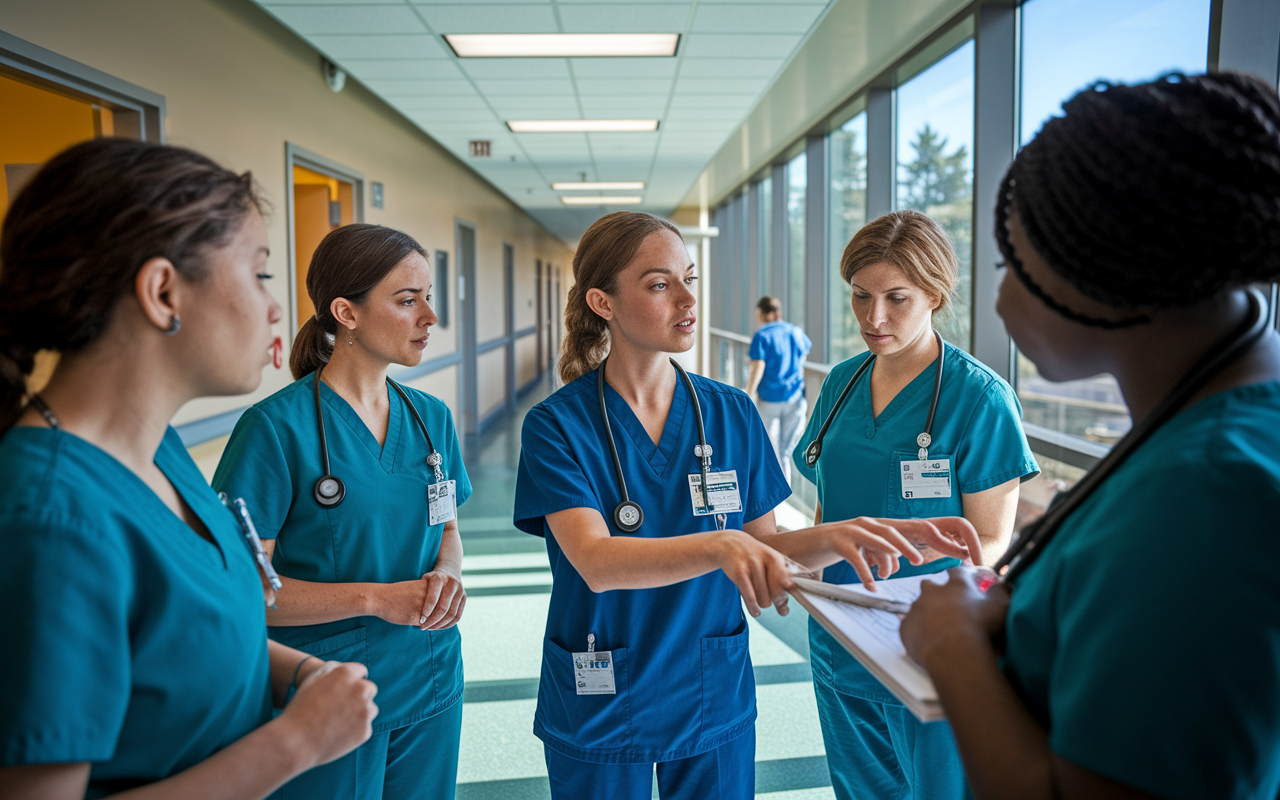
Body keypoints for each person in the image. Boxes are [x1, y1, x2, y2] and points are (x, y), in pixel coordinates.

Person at [900, 71, 1280, 800]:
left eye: (1014, 265)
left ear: (1098, 272)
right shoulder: (1226, 424)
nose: (1002, 298)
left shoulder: (1205, 493)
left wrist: (951, 643)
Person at [512, 211, 982, 800]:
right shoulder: (557, 425)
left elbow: (767, 546)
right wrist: (723, 544)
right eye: (660, 285)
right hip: (603, 691)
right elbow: (597, 562)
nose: (687, 298)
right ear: (603, 302)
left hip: (710, 689)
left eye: (690, 279)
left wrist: (847, 534)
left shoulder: (730, 411)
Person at [0, 138, 377, 799]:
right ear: (163, 292)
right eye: (259, 273)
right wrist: (296, 742)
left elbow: (184, 639)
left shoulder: (158, 453)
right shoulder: (51, 519)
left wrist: (301, 674)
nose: (277, 308)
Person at [212, 224, 469, 800]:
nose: (430, 317)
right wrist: (377, 598)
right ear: (345, 313)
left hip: (429, 678)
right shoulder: (275, 430)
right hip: (328, 690)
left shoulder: (432, 420)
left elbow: (447, 526)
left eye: (428, 297)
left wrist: (448, 572)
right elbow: (242, 593)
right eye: (408, 301)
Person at [792, 209, 1039, 799]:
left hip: (926, 646)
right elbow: (827, 509)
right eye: (860, 296)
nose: (873, 318)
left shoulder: (980, 398)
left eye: (896, 298)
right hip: (839, 637)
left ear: (934, 294)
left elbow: (991, 544)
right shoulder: (841, 383)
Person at [746, 296, 812, 485]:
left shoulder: (762, 334)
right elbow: (804, 353)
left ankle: (768, 491)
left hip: (769, 399)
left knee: (764, 446)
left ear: (762, 313)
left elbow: (758, 365)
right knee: (785, 450)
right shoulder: (795, 332)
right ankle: (785, 491)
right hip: (794, 398)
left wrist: (750, 392)